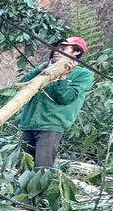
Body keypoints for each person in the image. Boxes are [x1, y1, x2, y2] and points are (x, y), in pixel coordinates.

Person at [18, 36, 93, 170]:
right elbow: (21, 87)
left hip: (50, 126)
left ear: (76, 52)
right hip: (28, 124)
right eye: (57, 48)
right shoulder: (45, 71)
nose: (57, 51)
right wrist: (40, 69)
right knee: (24, 167)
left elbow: (66, 98)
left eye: (63, 48)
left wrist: (62, 77)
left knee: (42, 169)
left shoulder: (83, 75)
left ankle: (41, 191)